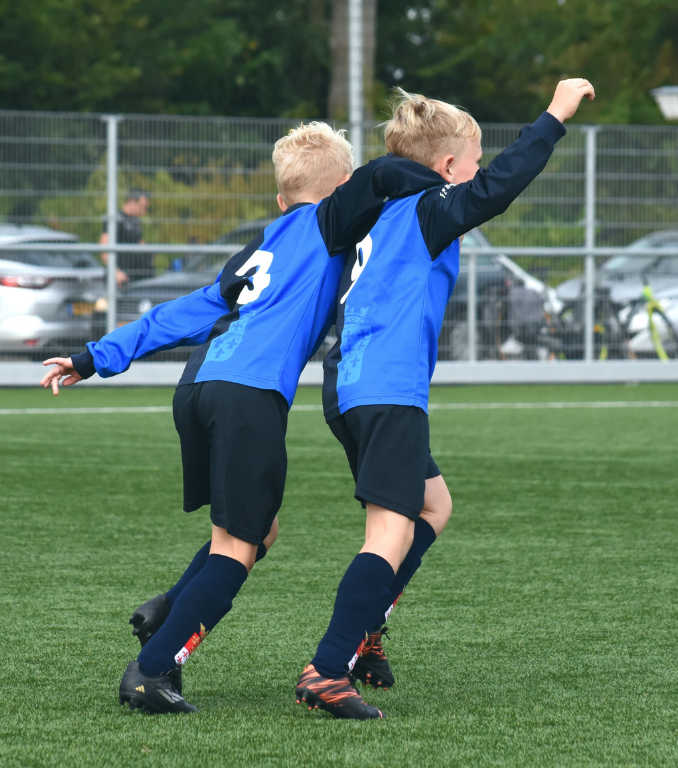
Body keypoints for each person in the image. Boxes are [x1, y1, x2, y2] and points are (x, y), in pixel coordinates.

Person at [39, 123, 440, 715]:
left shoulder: (261, 247)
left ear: (281, 199)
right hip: (248, 397)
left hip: (198, 386)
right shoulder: (333, 222)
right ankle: (151, 672)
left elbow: (186, 311)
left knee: (258, 529)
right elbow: (381, 176)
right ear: (342, 191)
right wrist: (440, 183)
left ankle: (168, 611)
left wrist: (93, 356)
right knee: (237, 547)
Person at [295, 80, 595, 720]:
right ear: (448, 168)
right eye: (474, 159)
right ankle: (327, 669)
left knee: (434, 504)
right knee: (391, 528)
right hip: (385, 387)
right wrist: (553, 115)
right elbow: (498, 188)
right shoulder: (426, 208)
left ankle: (367, 631)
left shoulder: (381, 214)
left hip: (348, 384)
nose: (479, 170)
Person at [98, 190, 154, 283]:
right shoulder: (116, 218)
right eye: (142, 207)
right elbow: (104, 248)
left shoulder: (136, 221)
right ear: (132, 201)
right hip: (123, 278)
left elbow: (141, 244)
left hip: (140, 277)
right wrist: (115, 272)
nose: (144, 212)